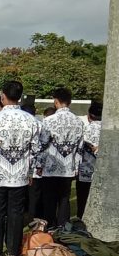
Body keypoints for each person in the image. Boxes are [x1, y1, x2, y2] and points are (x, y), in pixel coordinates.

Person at [0, 81, 42, 256]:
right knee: (16, 212)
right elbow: (36, 149)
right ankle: (13, 250)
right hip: (19, 174)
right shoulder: (31, 121)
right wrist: (31, 173)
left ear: (3, 96)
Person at [38, 88, 84, 229]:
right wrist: (76, 167)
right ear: (69, 102)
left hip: (50, 166)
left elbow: (42, 145)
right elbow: (79, 148)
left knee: (49, 199)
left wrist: (39, 164)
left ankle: (50, 226)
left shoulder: (49, 121)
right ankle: (63, 227)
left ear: (56, 101)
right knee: (65, 199)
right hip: (68, 167)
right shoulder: (79, 122)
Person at [76, 102, 102, 220]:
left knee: (83, 199)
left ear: (89, 115)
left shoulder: (87, 129)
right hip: (101, 172)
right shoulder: (108, 130)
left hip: (85, 170)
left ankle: (81, 219)